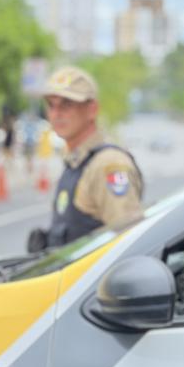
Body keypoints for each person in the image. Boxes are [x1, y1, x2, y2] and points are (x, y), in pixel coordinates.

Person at [27, 66, 143, 252]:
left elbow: (129, 243)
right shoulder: (76, 162)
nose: (56, 113)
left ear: (92, 109)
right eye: (51, 105)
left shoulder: (108, 165)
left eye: (66, 104)